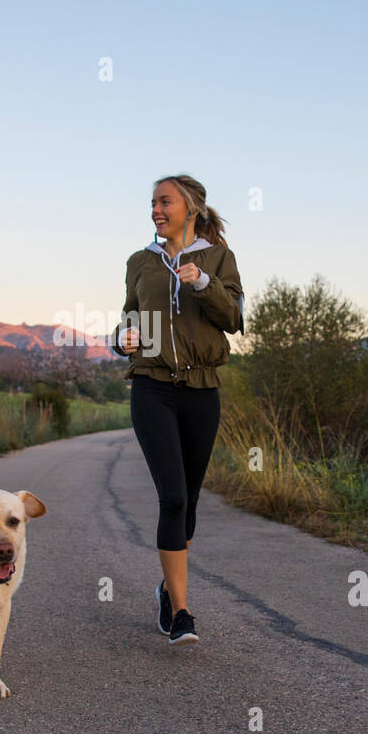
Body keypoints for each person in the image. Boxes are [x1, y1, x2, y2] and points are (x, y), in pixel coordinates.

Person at [110, 174, 244, 645]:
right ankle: (183, 612)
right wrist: (121, 340)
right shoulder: (140, 263)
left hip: (202, 391)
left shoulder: (219, 258)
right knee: (171, 497)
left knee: (188, 499)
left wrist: (204, 283)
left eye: (164, 202)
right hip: (152, 388)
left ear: (191, 207)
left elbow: (235, 319)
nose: (155, 210)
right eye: (152, 203)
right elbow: (130, 317)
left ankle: (169, 589)